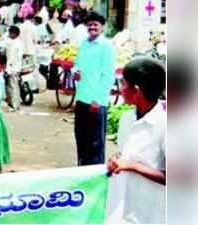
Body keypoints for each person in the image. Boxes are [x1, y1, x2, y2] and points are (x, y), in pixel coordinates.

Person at [107, 58, 166, 223]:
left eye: (124, 84)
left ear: (137, 91)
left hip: (155, 214)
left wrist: (133, 166)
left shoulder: (165, 125)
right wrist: (117, 160)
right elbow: (125, 154)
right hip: (128, 209)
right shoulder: (127, 119)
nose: (121, 88)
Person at [71, 11, 116, 166]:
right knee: (81, 139)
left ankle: (95, 175)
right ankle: (82, 171)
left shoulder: (107, 46)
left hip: (96, 103)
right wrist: (74, 72)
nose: (92, 27)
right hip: (81, 99)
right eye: (89, 25)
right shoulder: (84, 44)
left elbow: (108, 76)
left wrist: (98, 99)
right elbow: (76, 65)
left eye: (95, 24)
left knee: (95, 144)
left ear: (102, 27)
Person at [5, 26, 23, 112]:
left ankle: (14, 105)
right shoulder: (17, 42)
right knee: (15, 86)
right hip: (16, 67)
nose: (9, 34)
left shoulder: (14, 44)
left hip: (13, 68)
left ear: (14, 34)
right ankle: (15, 104)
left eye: (10, 33)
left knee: (13, 86)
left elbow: (11, 58)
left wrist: (9, 68)